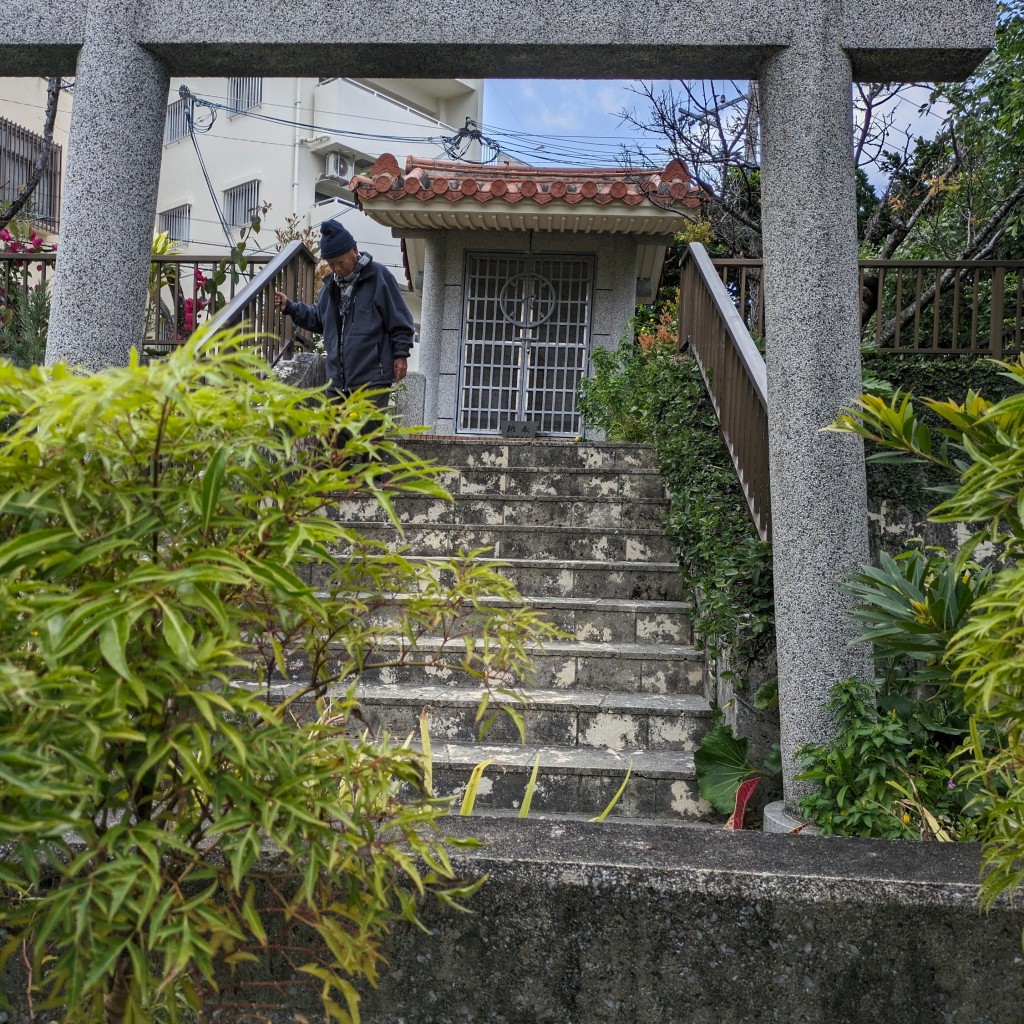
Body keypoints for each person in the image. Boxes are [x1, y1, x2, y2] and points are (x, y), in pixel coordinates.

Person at [273, 220, 414, 417]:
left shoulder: (378, 277)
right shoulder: (330, 287)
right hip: (337, 382)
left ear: (354, 250)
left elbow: (400, 321)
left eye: (340, 262)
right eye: (331, 264)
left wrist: (401, 355)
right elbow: (319, 320)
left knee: (366, 441)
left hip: (372, 379)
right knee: (336, 442)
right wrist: (290, 307)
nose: (337, 269)